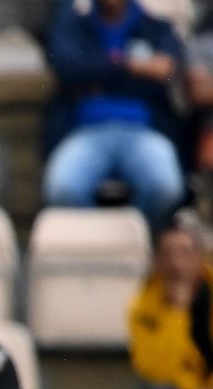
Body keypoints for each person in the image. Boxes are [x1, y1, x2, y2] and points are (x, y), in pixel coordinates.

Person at [42, 0, 186, 228]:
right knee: (63, 189)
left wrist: (98, 73)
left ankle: (137, 238)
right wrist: (132, 67)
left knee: (165, 187)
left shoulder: (156, 28)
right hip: (86, 132)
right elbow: (68, 69)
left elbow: (166, 73)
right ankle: (97, 240)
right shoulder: (74, 27)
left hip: (143, 131)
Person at [128, 212, 213, 389]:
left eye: (185, 254)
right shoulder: (144, 306)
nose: (177, 264)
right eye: (168, 255)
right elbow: (153, 370)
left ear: (200, 257)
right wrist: (176, 313)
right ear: (157, 262)